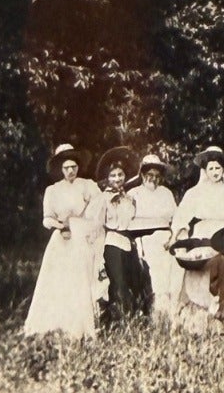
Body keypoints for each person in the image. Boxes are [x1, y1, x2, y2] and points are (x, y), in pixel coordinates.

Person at [22, 143, 104, 339]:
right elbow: (47, 218)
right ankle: (57, 323)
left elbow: (97, 210)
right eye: (66, 168)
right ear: (60, 168)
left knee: (79, 279)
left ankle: (78, 326)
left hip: (80, 236)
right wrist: (61, 226)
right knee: (58, 279)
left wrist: (78, 222)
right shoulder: (53, 190)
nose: (70, 171)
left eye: (73, 167)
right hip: (61, 239)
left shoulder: (87, 186)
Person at [169, 147, 224, 331]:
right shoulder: (194, 193)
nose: (215, 172)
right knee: (198, 267)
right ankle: (198, 315)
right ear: (205, 170)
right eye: (211, 168)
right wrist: (177, 235)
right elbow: (181, 217)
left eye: (218, 168)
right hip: (201, 234)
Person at [96, 158, 153, 325]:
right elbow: (98, 223)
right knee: (117, 280)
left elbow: (133, 220)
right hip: (111, 242)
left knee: (135, 279)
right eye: (113, 176)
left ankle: (136, 317)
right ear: (107, 179)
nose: (117, 178)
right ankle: (116, 319)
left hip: (128, 241)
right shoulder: (102, 198)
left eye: (120, 175)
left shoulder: (129, 198)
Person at [131, 153, 180, 320]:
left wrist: (172, 238)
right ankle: (156, 314)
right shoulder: (134, 194)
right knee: (155, 275)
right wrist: (139, 244)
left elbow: (175, 219)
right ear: (143, 175)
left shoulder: (166, 193)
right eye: (150, 175)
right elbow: (128, 223)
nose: (153, 179)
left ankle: (171, 314)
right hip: (144, 239)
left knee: (172, 275)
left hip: (166, 239)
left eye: (157, 176)